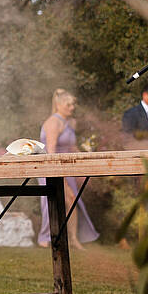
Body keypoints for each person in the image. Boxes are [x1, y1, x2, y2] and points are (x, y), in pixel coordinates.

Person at [38, 88, 99, 247]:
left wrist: (88, 159)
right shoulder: (53, 122)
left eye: (73, 104)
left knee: (72, 200)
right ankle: (46, 238)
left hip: (66, 167)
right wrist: (59, 175)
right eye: (69, 105)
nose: (72, 108)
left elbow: (72, 148)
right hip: (50, 168)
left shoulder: (71, 122)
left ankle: (73, 239)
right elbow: (50, 151)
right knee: (57, 200)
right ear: (58, 104)